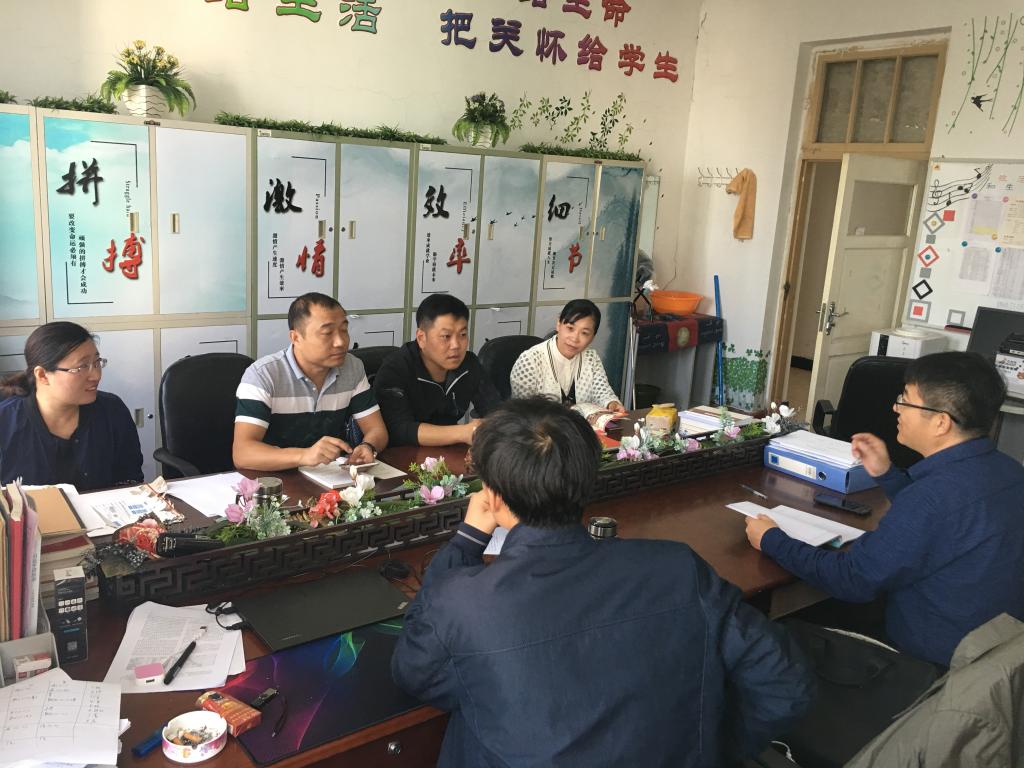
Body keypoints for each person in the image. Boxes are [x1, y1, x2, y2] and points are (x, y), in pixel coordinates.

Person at [392, 397, 814, 767]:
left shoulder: (466, 602)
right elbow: (786, 684)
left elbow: (414, 673)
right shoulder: (679, 569)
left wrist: (467, 539)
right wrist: (705, 749)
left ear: (494, 497)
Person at [746, 351, 1024, 667]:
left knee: (766, 628)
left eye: (905, 400)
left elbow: (853, 579)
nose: (896, 408)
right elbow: (948, 523)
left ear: (940, 422)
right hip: (995, 652)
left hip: (927, 661)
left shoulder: (932, 498)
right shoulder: (1010, 471)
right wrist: (887, 474)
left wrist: (771, 539)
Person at [233, 293, 387, 470]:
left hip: (331, 476)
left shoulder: (352, 367)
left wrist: (368, 446)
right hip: (275, 477)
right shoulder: (263, 375)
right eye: (327, 333)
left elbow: (376, 430)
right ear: (296, 338)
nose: (340, 342)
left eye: (344, 330)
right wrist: (304, 455)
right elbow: (243, 453)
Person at [0, 322, 143, 492]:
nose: (96, 375)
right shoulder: (5, 422)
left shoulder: (112, 411)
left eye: (97, 362)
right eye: (82, 367)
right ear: (42, 375)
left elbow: (129, 478)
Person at [373, 295, 500, 446]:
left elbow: (496, 411)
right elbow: (398, 429)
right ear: (421, 338)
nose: (456, 345)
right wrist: (463, 432)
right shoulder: (396, 368)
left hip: (449, 450)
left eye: (462, 335)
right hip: (402, 453)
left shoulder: (469, 364)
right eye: (446, 336)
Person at [509, 299, 623, 411]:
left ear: (592, 337)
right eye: (570, 328)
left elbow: (603, 393)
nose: (574, 338)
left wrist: (611, 403)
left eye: (584, 333)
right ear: (559, 324)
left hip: (581, 423)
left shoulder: (591, 358)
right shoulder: (530, 360)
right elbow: (522, 412)